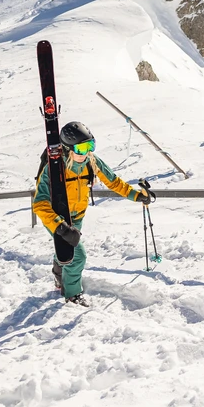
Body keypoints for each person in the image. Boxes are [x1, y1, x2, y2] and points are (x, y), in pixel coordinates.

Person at [33, 121, 151, 307]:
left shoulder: (91, 161)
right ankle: (72, 295)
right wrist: (61, 228)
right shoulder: (54, 168)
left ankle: (59, 275)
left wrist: (137, 196)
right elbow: (40, 204)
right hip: (57, 218)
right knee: (78, 256)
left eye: (90, 146)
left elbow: (114, 182)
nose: (87, 152)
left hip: (78, 217)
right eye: (81, 148)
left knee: (65, 252)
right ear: (68, 148)